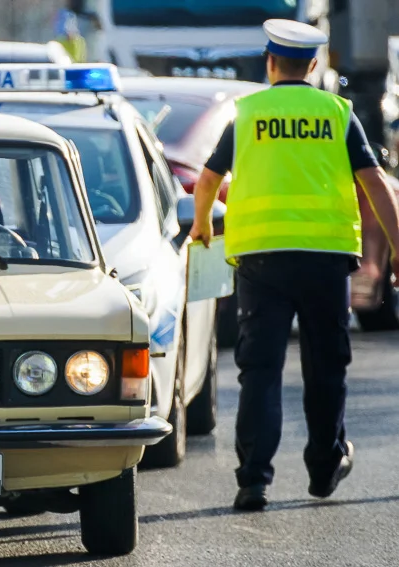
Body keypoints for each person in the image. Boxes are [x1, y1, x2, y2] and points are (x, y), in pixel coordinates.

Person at [189, 19, 399, 512]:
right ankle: (325, 468)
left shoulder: (247, 114)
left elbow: (207, 178)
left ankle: (254, 480)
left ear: (269, 63)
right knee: (326, 367)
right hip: (325, 261)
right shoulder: (337, 112)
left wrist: (201, 225)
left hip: (262, 261)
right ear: (312, 65)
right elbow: (377, 185)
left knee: (260, 370)